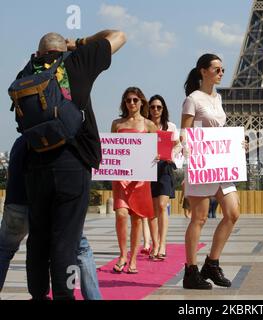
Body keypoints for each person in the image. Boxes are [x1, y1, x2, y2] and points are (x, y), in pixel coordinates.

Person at [21, 30, 126, 300]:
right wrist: (78, 43)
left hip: (36, 165)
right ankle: (64, 296)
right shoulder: (77, 61)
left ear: (38, 52)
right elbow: (119, 35)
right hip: (73, 162)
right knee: (66, 240)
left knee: (38, 238)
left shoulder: (27, 72)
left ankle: (37, 295)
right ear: (62, 49)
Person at [0, 136, 102, 300]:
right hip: (44, 205)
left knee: (4, 250)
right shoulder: (58, 145)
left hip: (15, 204)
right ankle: (93, 297)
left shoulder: (21, 143)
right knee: (80, 249)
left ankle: (39, 293)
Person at [180, 54, 240, 290]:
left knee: (233, 212)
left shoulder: (218, 98)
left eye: (222, 69)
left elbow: (220, 129)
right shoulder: (192, 99)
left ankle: (211, 264)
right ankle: (190, 271)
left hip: (221, 162)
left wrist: (237, 144)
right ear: (203, 71)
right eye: (216, 69)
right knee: (200, 218)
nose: (221, 73)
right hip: (201, 162)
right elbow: (185, 132)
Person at [111, 87, 158, 274]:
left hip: (140, 180)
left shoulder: (149, 125)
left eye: (135, 100)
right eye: (128, 100)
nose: (131, 103)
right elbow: (113, 149)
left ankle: (132, 259)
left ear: (141, 102)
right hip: (121, 179)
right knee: (121, 215)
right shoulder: (117, 124)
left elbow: (156, 152)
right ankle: (123, 254)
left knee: (137, 220)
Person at [147, 94, 180, 261]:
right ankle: (155, 243)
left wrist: (174, 149)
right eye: (152, 107)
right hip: (149, 168)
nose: (155, 110)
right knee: (152, 210)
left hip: (165, 167)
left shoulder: (171, 127)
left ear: (163, 109)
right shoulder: (145, 126)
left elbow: (178, 145)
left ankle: (163, 244)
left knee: (162, 205)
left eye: (159, 107)